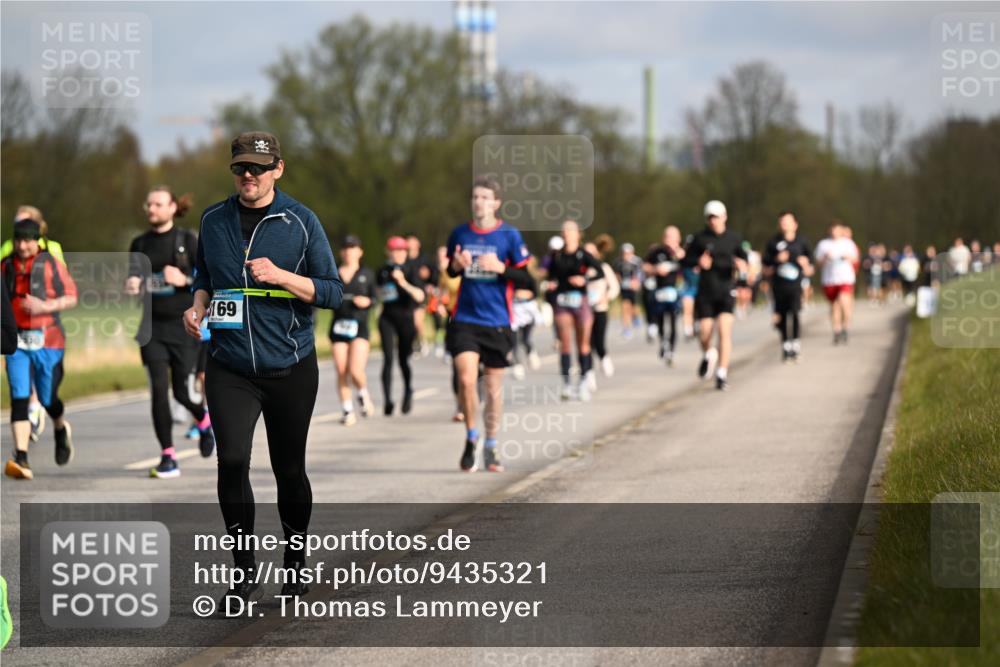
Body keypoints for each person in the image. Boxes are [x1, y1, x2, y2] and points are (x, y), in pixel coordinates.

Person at [184, 131, 342, 606]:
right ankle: (244, 572)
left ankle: (295, 568)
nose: (247, 175)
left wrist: (282, 277)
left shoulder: (301, 221)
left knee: (288, 470)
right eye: (240, 168)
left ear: (278, 168)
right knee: (231, 461)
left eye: (256, 167)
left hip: (290, 365)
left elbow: (333, 292)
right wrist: (196, 309)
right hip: (230, 365)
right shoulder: (213, 220)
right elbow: (204, 277)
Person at [126, 186, 215, 478]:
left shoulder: (187, 240)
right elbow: (134, 283)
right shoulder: (139, 244)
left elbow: (207, 281)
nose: (152, 209)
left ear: (173, 207)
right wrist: (133, 286)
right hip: (151, 328)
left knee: (180, 391)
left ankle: (202, 420)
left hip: (183, 327)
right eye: (149, 204)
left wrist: (183, 279)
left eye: (158, 204)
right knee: (158, 392)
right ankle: (168, 455)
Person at [446, 177, 533, 472]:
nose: (478, 202)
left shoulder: (509, 236)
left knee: (494, 391)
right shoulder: (459, 233)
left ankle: (492, 445)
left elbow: (528, 281)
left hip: (497, 322)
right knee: (468, 379)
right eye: (475, 197)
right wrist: (456, 266)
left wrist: (501, 268)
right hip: (465, 320)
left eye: (485, 197)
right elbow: (451, 270)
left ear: (496, 203)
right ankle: (472, 436)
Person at [2, 218, 78, 479]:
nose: (23, 246)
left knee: (47, 399)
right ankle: (21, 457)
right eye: (18, 240)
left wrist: (44, 307)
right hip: (16, 342)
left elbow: (72, 297)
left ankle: (59, 427)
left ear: (37, 241)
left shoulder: (51, 265)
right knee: (19, 396)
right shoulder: (5, 266)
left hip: (49, 340)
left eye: (28, 240)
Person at [2, 206, 66, 443]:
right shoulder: (9, 248)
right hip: (17, 325)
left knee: (46, 386)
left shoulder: (52, 249)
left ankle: (39, 403)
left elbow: (62, 284)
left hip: (46, 325)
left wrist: (46, 304)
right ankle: (21, 452)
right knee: (19, 382)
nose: (21, 243)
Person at [682, 200, 748, 391]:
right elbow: (685, 260)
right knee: (704, 333)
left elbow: (744, 259)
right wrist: (698, 261)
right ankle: (708, 353)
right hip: (705, 291)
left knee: (724, 332)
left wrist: (742, 268)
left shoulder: (734, 238)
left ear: (724, 217)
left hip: (726, 289)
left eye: (716, 217)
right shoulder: (699, 238)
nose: (713, 221)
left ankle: (722, 373)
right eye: (710, 218)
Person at [543, 220, 604, 400]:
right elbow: (550, 275)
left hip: (581, 300)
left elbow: (599, 271)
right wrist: (552, 284)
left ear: (578, 234)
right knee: (565, 342)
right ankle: (567, 384)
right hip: (562, 301)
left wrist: (584, 279)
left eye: (571, 231)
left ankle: (584, 381)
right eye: (564, 231)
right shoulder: (556, 256)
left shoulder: (584, 254)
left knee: (583, 343)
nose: (567, 234)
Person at [329, 235, 375, 425]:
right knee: (341, 369)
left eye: (353, 248)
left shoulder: (367, 273)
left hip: (359, 326)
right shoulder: (333, 273)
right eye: (346, 248)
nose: (349, 252)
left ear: (360, 252)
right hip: (339, 325)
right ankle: (347, 410)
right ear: (341, 252)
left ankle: (363, 394)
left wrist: (368, 302)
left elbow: (375, 298)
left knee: (355, 370)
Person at [377, 236, 425, 416]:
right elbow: (380, 292)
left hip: (406, 318)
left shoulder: (412, 270)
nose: (397, 254)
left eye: (400, 250)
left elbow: (420, 296)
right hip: (387, 318)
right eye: (393, 250)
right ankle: (388, 399)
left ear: (405, 252)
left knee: (403, 359)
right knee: (388, 358)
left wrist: (403, 282)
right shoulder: (383, 270)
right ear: (388, 252)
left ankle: (407, 391)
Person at [762, 211, 813, 363]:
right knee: (782, 316)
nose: (785, 225)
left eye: (788, 222)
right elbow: (765, 267)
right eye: (782, 222)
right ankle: (785, 345)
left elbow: (811, 265)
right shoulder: (773, 242)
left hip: (796, 285)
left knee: (795, 313)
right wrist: (777, 260)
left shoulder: (802, 242)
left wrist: (805, 264)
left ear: (795, 224)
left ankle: (795, 345)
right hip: (779, 286)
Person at [642, 226, 686, 366]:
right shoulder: (657, 251)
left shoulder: (682, 253)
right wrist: (655, 269)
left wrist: (682, 259)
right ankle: (663, 342)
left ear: (678, 238)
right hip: (660, 290)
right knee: (661, 320)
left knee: (673, 321)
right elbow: (644, 266)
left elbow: (691, 268)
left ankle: (671, 351)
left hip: (675, 291)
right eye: (667, 236)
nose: (669, 239)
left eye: (672, 236)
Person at [814, 221, 860, 345]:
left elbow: (856, 259)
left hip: (845, 278)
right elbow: (817, 263)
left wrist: (846, 257)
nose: (835, 232)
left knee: (844, 302)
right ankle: (837, 330)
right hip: (829, 279)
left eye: (837, 230)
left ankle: (846, 327)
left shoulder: (848, 243)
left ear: (841, 231)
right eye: (833, 230)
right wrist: (825, 258)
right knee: (834, 306)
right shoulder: (823, 244)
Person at [586, 235, 621, 378]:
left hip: (600, 308)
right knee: (586, 343)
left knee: (599, 340)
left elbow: (614, 287)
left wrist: (606, 297)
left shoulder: (603, 268)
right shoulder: (579, 270)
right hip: (584, 310)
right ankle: (587, 372)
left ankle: (603, 357)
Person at [406, 235, 438, 357]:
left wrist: (429, 281)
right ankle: (413, 343)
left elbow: (434, 275)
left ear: (418, 244)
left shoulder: (424, 259)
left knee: (417, 321)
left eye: (412, 242)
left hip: (420, 295)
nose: (410, 245)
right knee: (408, 323)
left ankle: (422, 341)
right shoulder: (404, 260)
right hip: (407, 296)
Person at [613, 243, 643, 339]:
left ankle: (635, 316)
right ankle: (626, 328)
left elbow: (641, 274)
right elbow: (616, 274)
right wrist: (619, 283)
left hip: (633, 288)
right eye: (624, 253)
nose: (626, 255)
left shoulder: (637, 261)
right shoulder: (618, 262)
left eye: (628, 253)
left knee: (633, 306)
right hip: (623, 288)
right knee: (625, 306)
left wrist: (637, 283)